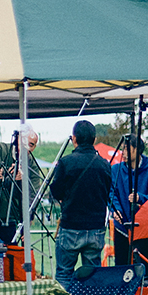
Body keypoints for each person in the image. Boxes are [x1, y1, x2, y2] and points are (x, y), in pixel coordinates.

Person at [49, 120, 111, 283]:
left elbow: (55, 191)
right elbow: (107, 191)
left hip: (71, 226)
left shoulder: (66, 162)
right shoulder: (104, 164)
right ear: (94, 139)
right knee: (92, 275)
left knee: (64, 273)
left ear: (74, 139)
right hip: (96, 227)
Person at [108, 134, 148, 268]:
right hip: (122, 227)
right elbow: (111, 193)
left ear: (137, 150)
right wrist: (116, 210)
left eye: (127, 149)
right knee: (121, 266)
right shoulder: (116, 170)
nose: (123, 152)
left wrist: (141, 198)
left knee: (145, 266)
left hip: (144, 228)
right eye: (123, 149)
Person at [0, 131, 42, 245]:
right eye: (24, 142)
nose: (27, 146)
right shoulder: (0, 148)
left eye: (31, 144)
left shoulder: (32, 164)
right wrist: (11, 173)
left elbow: (34, 195)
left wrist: (27, 221)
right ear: (17, 139)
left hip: (13, 217)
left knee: (11, 255)